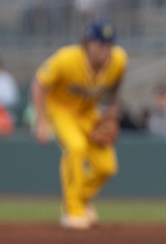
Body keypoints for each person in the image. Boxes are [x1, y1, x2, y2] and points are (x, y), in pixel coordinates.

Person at [31, 20, 128, 229]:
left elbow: (118, 81)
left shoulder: (119, 60)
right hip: (60, 109)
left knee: (107, 167)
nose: (106, 50)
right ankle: (72, 210)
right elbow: (39, 83)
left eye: (109, 45)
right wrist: (40, 122)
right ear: (88, 43)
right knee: (76, 147)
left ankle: (81, 201)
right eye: (101, 44)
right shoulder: (66, 58)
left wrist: (111, 110)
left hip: (88, 112)